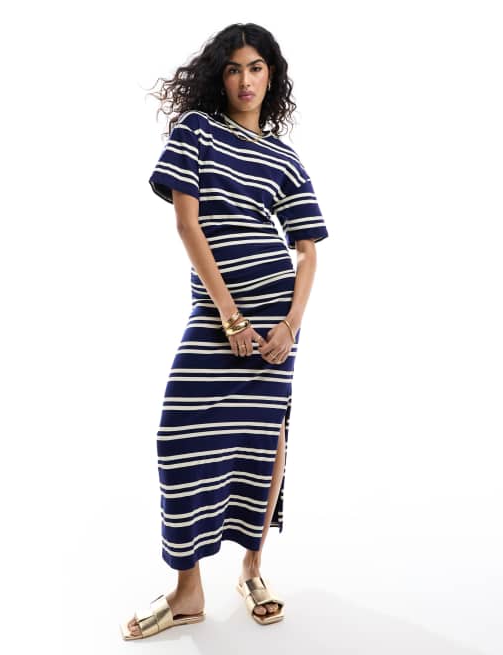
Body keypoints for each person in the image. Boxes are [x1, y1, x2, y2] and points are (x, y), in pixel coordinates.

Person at [120, 22, 329, 640]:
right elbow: (188, 226)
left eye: (256, 67)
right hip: (219, 316)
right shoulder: (197, 131)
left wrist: (290, 324)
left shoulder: (285, 158)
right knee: (178, 433)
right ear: (220, 75)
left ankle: (253, 570)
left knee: (267, 440)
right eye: (234, 68)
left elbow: (307, 250)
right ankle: (187, 590)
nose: (245, 80)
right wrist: (229, 315)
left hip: (277, 322)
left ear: (272, 75)